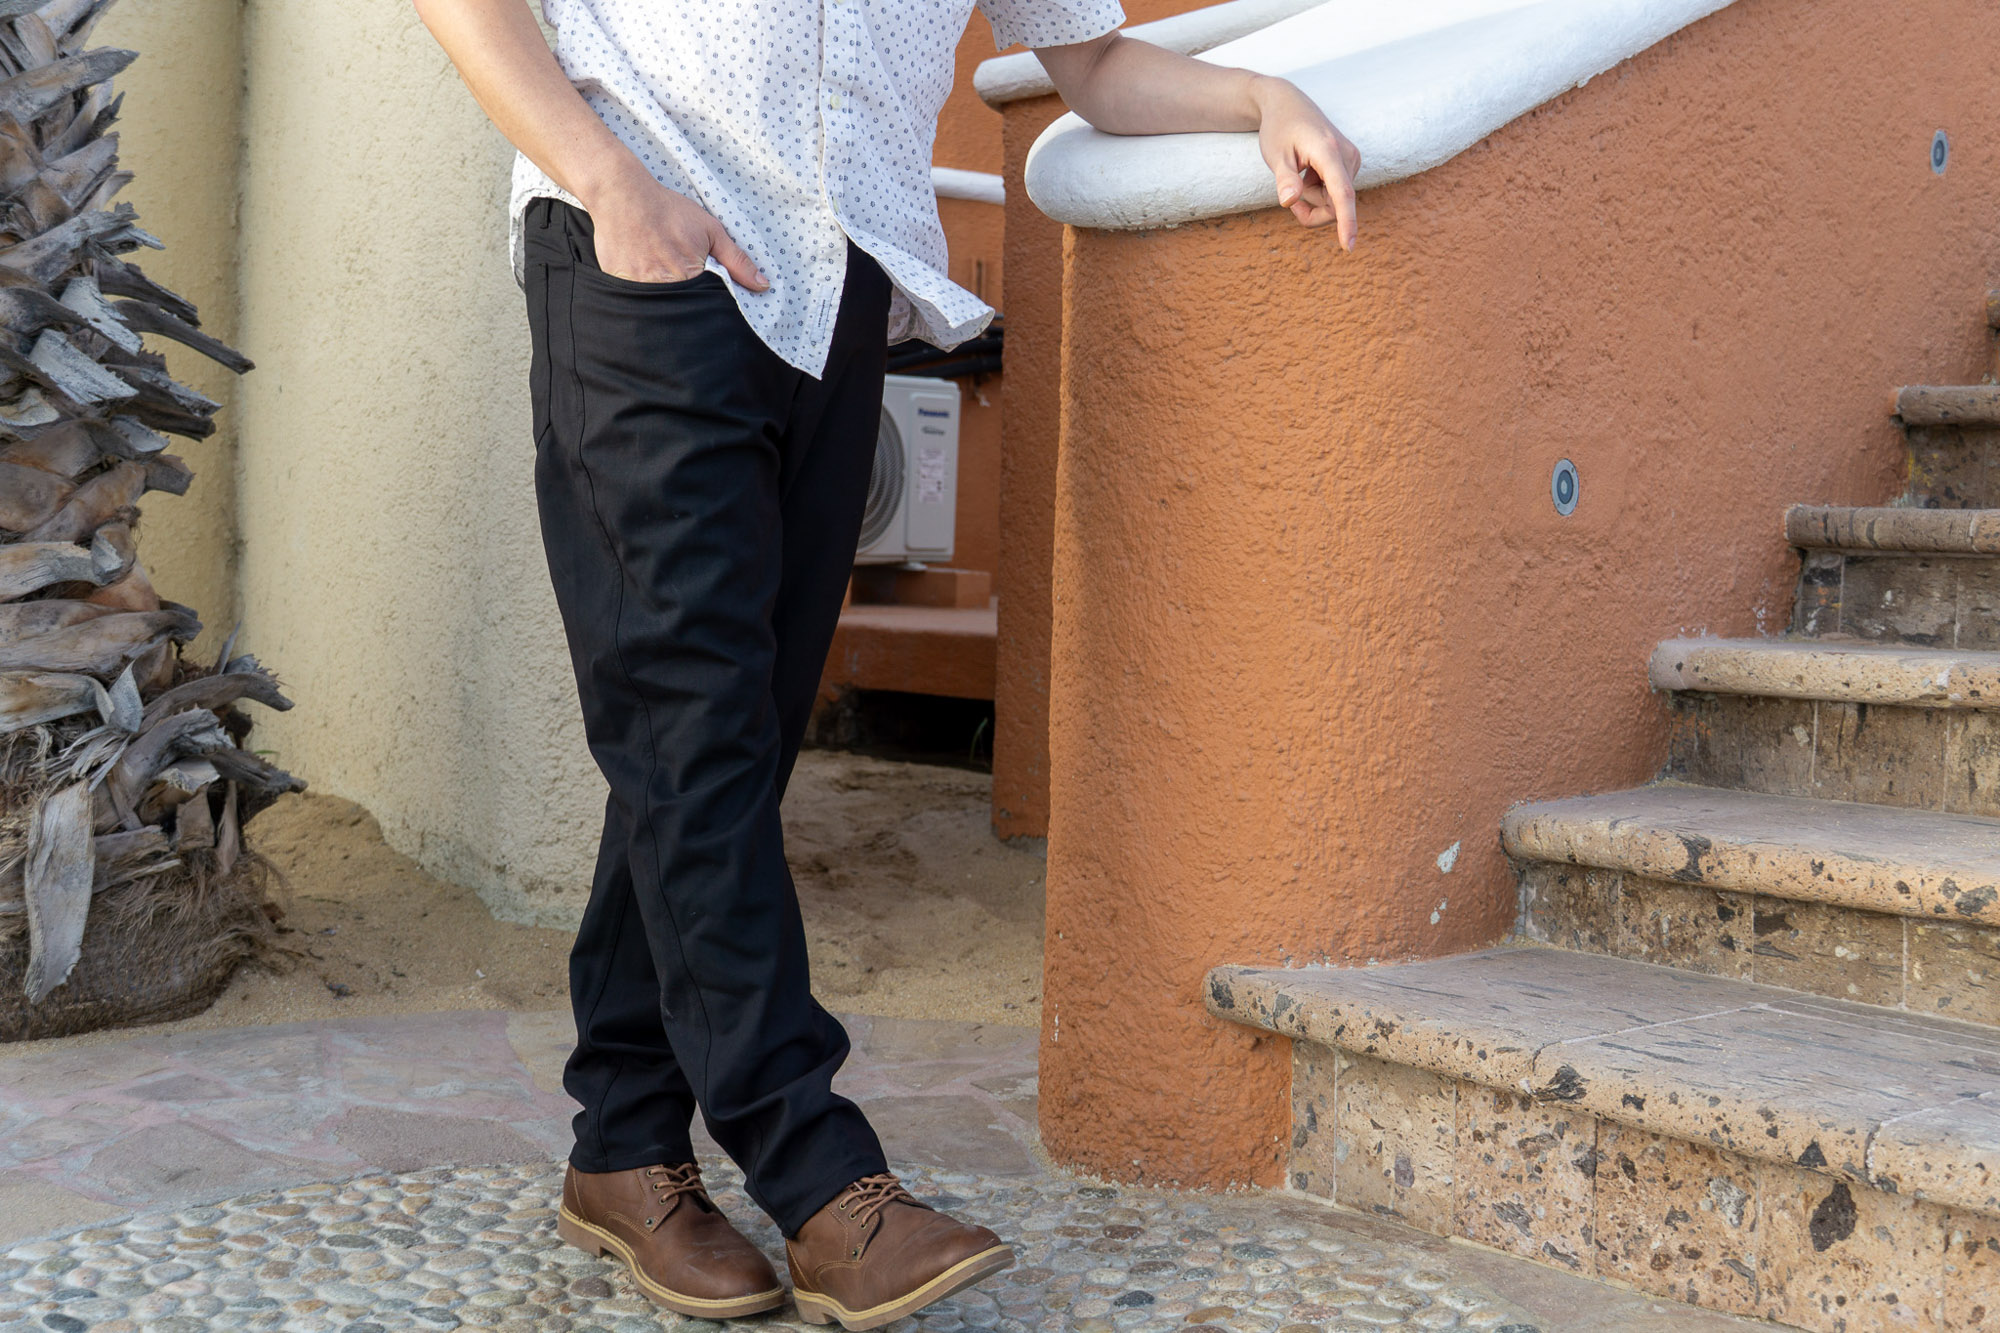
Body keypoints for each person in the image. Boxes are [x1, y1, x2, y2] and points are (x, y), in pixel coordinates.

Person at [410, 0, 1360, 1326]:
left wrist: (1261, 101)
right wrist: (607, 179)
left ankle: (623, 1143)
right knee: (694, 729)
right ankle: (820, 1171)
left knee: (724, 735)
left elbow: (1090, 62)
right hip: (641, 268)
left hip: (835, 298)